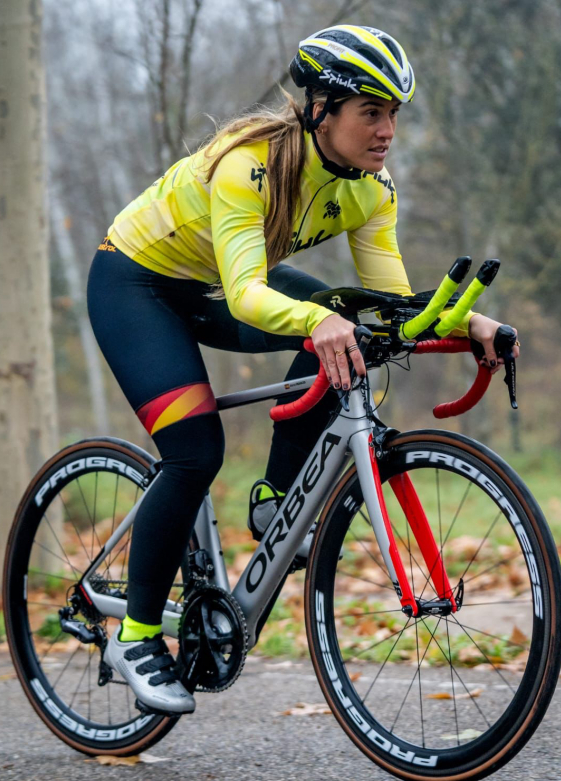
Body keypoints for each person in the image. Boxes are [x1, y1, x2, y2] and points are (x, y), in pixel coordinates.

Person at [86, 24, 519, 715]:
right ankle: (136, 638)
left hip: (215, 284)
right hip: (136, 284)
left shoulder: (371, 189)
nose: (387, 131)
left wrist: (473, 326)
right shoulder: (248, 165)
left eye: (393, 113)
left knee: (347, 318)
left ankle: (276, 501)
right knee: (195, 451)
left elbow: (391, 304)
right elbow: (246, 294)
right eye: (371, 112)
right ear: (321, 109)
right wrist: (318, 321)